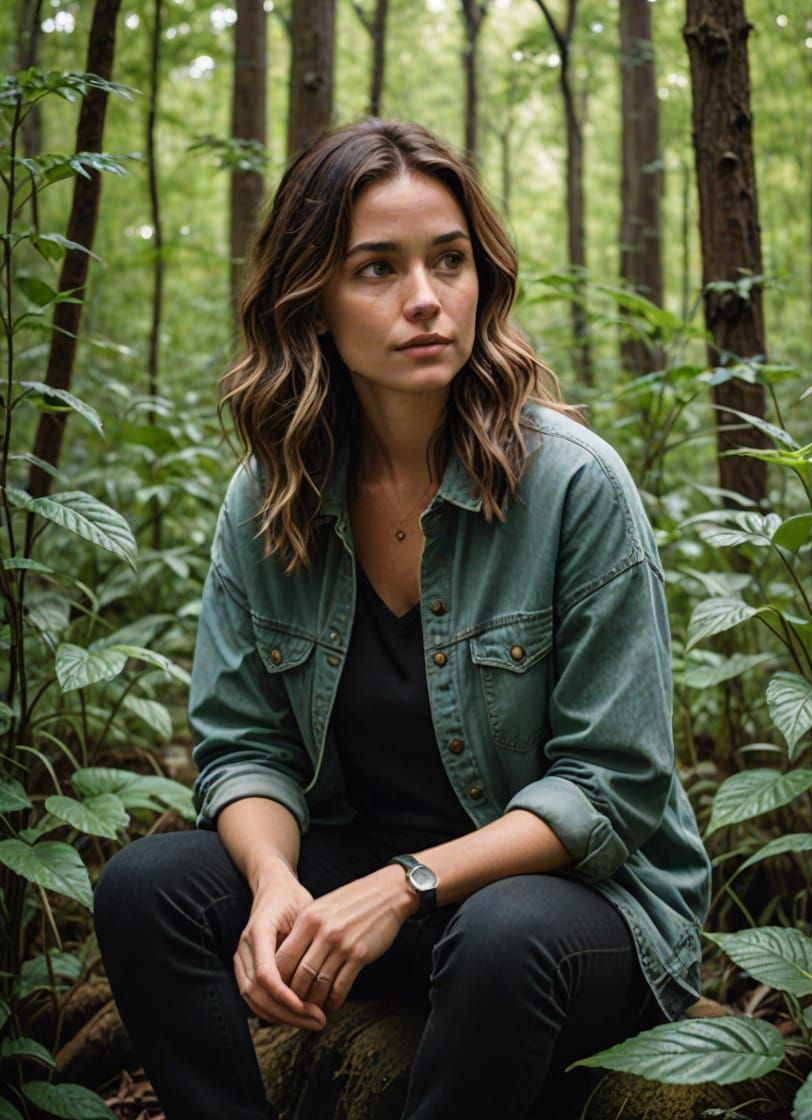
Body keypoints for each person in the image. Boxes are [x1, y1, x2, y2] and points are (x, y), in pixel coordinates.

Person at [95, 119, 711, 1120]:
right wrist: (275, 888)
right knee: (146, 889)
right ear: (312, 303)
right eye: (376, 268)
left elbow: (613, 786)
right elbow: (242, 746)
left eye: (449, 260)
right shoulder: (269, 497)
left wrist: (404, 886)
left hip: (577, 919)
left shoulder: (572, 485)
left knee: (501, 934)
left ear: (482, 278)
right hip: (367, 894)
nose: (425, 299)